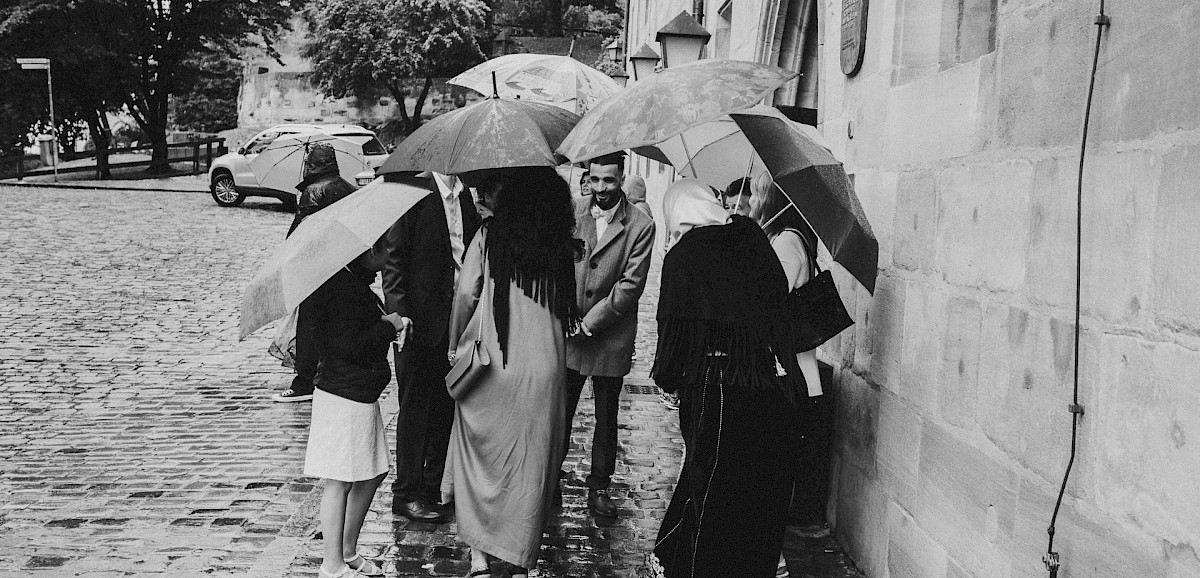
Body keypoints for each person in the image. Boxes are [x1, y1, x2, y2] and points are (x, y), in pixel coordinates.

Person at [649, 179, 802, 578]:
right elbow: (777, 314)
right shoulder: (753, 240)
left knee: (709, 494)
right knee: (752, 498)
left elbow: (671, 342)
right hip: (767, 388)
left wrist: (671, 382)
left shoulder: (683, 257)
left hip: (713, 389)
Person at [441, 167, 581, 578]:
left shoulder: (489, 237)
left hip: (496, 365)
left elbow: (467, 294)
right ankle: (520, 559)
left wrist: (453, 345)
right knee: (532, 467)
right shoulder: (559, 246)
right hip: (547, 370)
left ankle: (479, 557)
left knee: (475, 458)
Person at [561, 151, 656, 519]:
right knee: (561, 411)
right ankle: (550, 476)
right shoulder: (571, 212)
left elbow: (630, 285)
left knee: (606, 414)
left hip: (610, 335)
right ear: (588, 177)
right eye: (595, 180)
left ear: (621, 179)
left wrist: (591, 322)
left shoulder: (641, 225)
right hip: (569, 332)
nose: (601, 188)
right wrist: (567, 312)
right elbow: (558, 264)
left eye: (610, 181)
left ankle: (599, 486)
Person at [383, 171, 482, 522]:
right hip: (418, 323)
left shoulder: (468, 197)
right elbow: (393, 262)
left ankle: (431, 486)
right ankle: (406, 492)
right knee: (414, 409)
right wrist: (399, 316)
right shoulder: (413, 193)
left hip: (457, 324)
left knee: (444, 407)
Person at [302, 244, 405, 578]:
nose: (387, 254)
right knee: (339, 479)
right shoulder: (340, 287)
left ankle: (346, 550)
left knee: (373, 470)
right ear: (365, 250)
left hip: (357, 389)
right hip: (343, 392)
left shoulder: (351, 281)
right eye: (382, 248)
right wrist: (390, 325)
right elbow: (352, 343)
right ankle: (331, 565)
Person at [274, 143, 357, 403]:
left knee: (309, 326)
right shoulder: (346, 188)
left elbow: (301, 233)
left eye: (308, 161)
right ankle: (327, 374)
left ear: (313, 165)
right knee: (334, 323)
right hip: (342, 267)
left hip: (316, 269)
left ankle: (304, 381)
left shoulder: (313, 191)